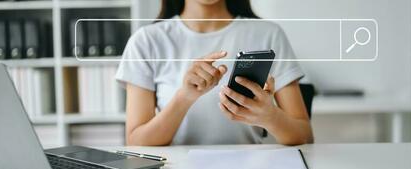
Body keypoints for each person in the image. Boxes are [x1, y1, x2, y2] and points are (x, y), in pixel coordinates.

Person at [116, 0, 313, 146]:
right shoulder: (146, 41)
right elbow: (136, 142)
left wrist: (271, 117)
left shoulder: (269, 34)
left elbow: (304, 135)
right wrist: (185, 97)